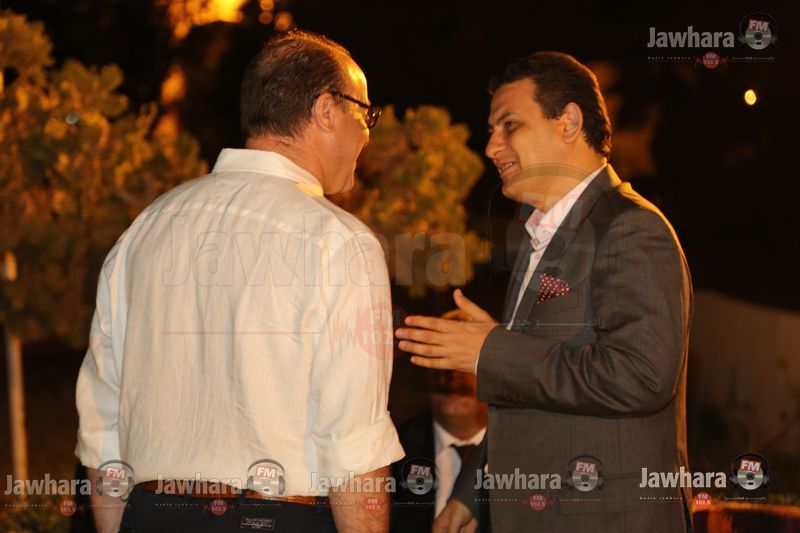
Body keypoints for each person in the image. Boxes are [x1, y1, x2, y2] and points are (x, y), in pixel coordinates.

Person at [75, 30, 404, 533]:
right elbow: (354, 447)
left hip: (150, 515)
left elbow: (102, 424)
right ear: (325, 110)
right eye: (365, 113)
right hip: (274, 518)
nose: (367, 134)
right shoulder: (339, 242)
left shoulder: (145, 228)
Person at [396, 51, 693, 532]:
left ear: (569, 122)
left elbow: (641, 376)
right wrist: (472, 495)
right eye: (491, 130)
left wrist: (493, 350)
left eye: (509, 125)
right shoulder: (544, 237)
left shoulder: (630, 227)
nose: (491, 147)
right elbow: (531, 391)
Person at [390, 369, 488, 532]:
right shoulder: (392, 454)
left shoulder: (521, 454)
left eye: (465, 365)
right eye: (443, 361)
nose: (454, 375)